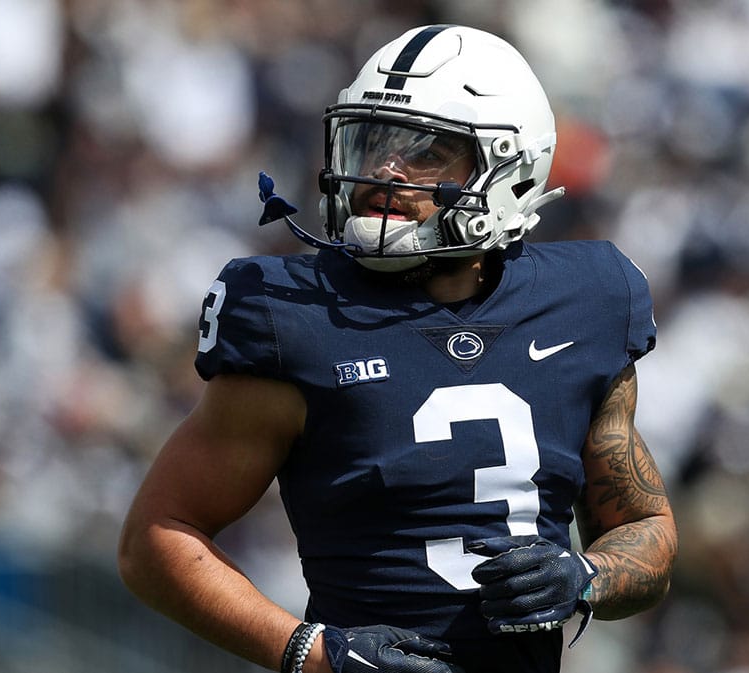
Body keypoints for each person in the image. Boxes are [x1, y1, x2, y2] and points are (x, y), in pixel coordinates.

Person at [118, 24, 678, 673]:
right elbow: (154, 538)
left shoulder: (588, 300)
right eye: (375, 139)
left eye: (425, 151)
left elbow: (648, 531)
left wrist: (585, 575)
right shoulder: (295, 313)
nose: (385, 169)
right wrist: (311, 649)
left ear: (509, 169)